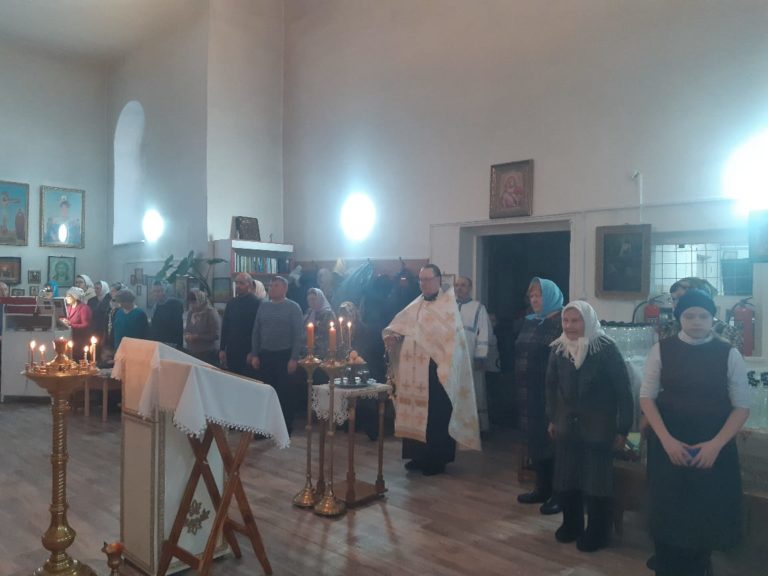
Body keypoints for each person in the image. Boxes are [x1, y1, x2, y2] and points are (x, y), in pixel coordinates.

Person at [640, 289, 749, 576]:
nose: (697, 321)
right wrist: (666, 441)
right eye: (690, 316)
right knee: (667, 517)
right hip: (669, 443)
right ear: (680, 318)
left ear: (713, 318)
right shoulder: (662, 349)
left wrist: (715, 445)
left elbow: (741, 407)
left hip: (712, 445)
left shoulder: (729, 353)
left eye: (703, 315)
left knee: (703, 522)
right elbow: (647, 398)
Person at [546, 301, 633, 552]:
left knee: (597, 483)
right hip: (566, 425)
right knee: (567, 478)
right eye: (566, 321)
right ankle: (571, 524)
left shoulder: (605, 348)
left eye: (576, 321)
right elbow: (550, 386)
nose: (570, 326)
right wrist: (552, 418)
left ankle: (598, 532)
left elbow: (624, 392)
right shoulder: (559, 348)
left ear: (589, 321)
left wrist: (623, 429)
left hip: (599, 427)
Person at [383, 264, 481, 476]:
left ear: (438, 280)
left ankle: (437, 459)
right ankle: (417, 455)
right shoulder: (415, 305)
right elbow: (401, 327)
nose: (424, 284)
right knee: (414, 411)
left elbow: (452, 341)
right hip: (413, 371)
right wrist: (394, 337)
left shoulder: (447, 307)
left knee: (436, 414)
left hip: (437, 370)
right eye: (421, 280)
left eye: (428, 279)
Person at [515, 277, 564, 514]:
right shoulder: (531, 321)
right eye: (532, 296)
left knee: (552, 445)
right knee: (535, 441)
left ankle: (559, 495)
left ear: (551, 297)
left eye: (539, 295)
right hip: (529, 392)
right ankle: (541, 488)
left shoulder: (561, 323)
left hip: (549, 392)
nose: (535, 300)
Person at [249, 276, 303, 435]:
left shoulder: (293, 307)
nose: (271, 288)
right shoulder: (263, 306)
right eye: (270, 285)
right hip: (265, 355)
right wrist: (255, 354)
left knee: (284, 393)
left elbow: (298, 335)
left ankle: (284, 427)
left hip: (284, 355)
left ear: (285, 289)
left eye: (276, 285)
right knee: (265, 392)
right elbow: (256, 331)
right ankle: (265, 428)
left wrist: (294, 358)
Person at [660, 276, 742, 350]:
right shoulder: (669, 330)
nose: (675, 304)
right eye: (673, 299)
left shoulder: (727, 332)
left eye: (681, 297)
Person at [454, 275, 491, 433]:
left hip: (470, 355)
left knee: (473, 388)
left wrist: (480, 355)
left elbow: (484, 332)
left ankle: (475, 428)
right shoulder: (449, 307)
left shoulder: (478, 308)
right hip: (451, 357)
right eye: (457, 285)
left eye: (463, 285)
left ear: (470, 288)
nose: (459, 288)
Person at [219, 273, 261, 376]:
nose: (238, 286)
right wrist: (222, 349)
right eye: (236, 283)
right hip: (232, 350)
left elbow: (258, 330)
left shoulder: (257, 303)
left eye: (241, 283)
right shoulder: (231, 303)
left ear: (249, 284)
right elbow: (225, 327)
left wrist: (253, 352)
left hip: (248, 351)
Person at [184, 288, 220, 364]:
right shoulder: (191, 313)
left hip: (208, 353)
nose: (192, 305)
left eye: (194, 302)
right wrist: (187, 336)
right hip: (192, 352)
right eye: (190, 303)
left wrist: (198, 336)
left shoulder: (210, 313)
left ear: (201, 300)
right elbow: (187, 329)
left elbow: (215, 335)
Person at [148, 281, 184, 348]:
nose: (156, 294)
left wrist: (176, 346)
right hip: (158, 343)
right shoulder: (155, 306)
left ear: (164, 292)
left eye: (159, 291)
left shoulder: (175, 304)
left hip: (171, 344)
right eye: (154, 291)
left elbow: (178, 328)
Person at [61, 287, 93, 361]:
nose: (66, 298)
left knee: (79, 359)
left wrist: (71, 324)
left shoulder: (84, 308)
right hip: (71, 337)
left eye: (68, 296)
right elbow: (66, 318)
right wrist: (63, 321)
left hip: (81, 339)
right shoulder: (69, 307)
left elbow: (86, 325)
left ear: (75, 297)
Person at [303, 287, 336, 358]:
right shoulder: (309, 312)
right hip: (308, 349)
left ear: (320, 299)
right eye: (309, 300)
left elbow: (330, 331)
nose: (311, 302)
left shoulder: (328, 313)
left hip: (323, 350)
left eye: (313, 299)